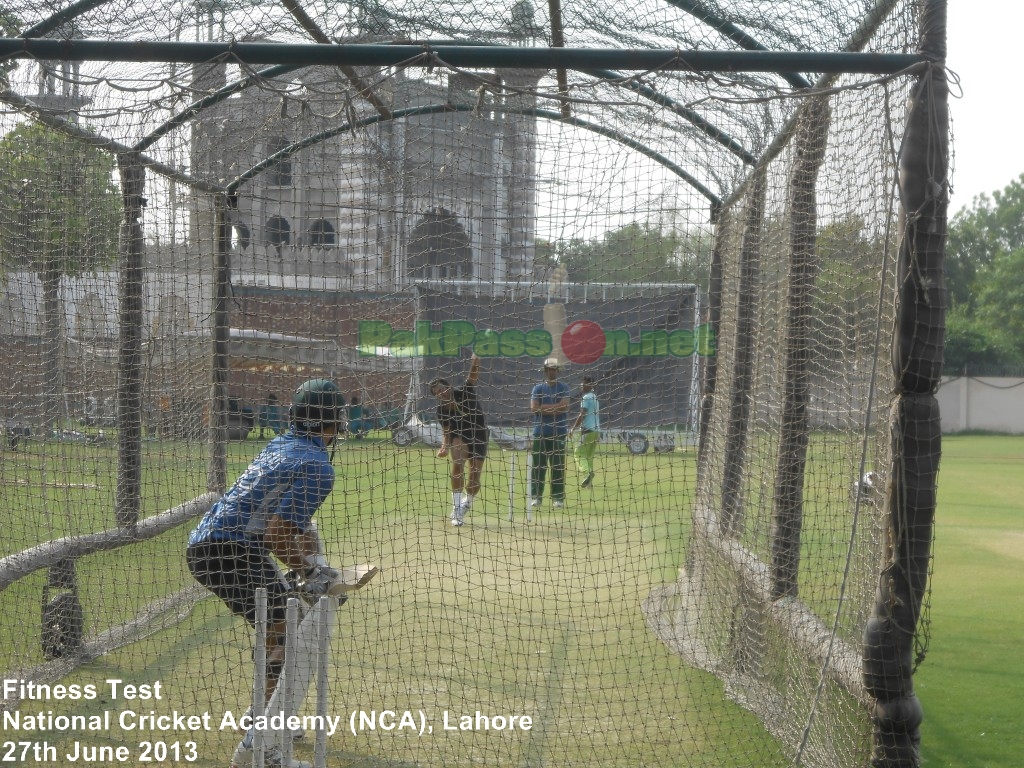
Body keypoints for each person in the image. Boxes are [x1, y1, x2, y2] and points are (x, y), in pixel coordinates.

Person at [186, 379, 346, 768]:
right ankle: (261, 748)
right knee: (289, 633)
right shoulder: (318, 466)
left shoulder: (280, 446)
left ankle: (267, 718)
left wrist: (312, 565)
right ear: (332, 422)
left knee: (283, 626)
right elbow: (278, 534)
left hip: (210, 545)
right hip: (232, 551)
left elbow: (294, 524)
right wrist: (311, 570)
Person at [429, 354, 487, 527]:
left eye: (442, 389)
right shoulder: (441, 411)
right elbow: (446, 431)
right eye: (437, 393)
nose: (441, 393)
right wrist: (443, 447)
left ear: (449, 387)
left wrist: (474, 363)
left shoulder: (464, 392)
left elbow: (472, 377)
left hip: (478, 435)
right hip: (458, 436)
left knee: (475, 476)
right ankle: (456, 508)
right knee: (458, 460)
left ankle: (467, 502)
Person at [529, 357, 571, 508]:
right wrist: (554, 408)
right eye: (549, 369)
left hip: (559, 431)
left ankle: (558, 498)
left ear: (557, 371)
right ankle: (536, 497)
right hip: (540, 432)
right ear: (545, 371)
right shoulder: (538, 388)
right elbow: (534, 408)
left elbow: (564, 406)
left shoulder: (564, 387)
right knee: (538, 466)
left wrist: (544, 408)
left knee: (557, 466)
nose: (551, 371)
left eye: (554, 369)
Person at [568, 375, 600, 488]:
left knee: (578, 454)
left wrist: (573, 428)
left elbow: (582, 414)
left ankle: (587, 473)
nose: (581, 386)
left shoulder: (586, 398)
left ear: (590, 385)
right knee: (589, 456)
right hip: (596, 431)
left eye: (583, 384)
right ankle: (589, 484)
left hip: (587, 431)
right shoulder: (595, 397)